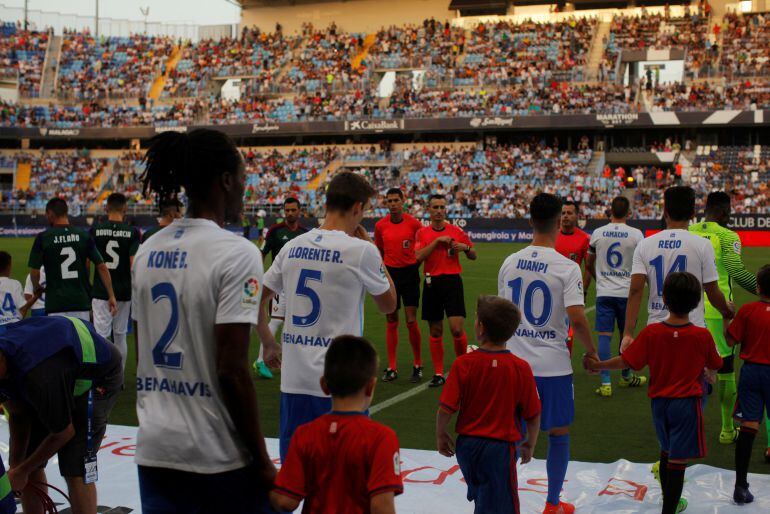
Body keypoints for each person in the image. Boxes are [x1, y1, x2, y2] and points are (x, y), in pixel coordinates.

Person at [132, 129, 278, 513]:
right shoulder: (237, 253)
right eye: (243, 181)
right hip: (214, 453)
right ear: (226, 181)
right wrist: (262, 462)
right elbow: (231, 369)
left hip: (154, 446)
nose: (244, 191)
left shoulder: (148, 249)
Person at [258, 171, 396, 462]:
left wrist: (268, 341)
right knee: (341, 482)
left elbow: (256, 297)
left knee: (298, 478)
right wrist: (373, 248)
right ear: (357, 207)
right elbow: (388, 305)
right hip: (342, 384)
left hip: (294, 382)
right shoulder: (361, 251)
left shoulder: (292, 247)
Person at [498, 193, 599, 514]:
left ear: (530, 221)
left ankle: (504, 502)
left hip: (513, 364)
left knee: (510, 434)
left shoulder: (510, 262)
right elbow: (578, 317)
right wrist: (592, 353)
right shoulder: (567, 268)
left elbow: (501, 315)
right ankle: (552, 504)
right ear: (559, 222)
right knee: (557, 432)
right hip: (552, 366)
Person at [589, 272, 723, 514]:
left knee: (666, 451)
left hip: (659, 404)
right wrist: (710, 373)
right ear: (696, 302)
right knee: (678, 462)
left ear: (665, 300)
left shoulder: (651, 333)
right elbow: (716, 363)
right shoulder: (702, 335)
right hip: (687, 405)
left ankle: (666, 500)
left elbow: (627, 361)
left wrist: (598, 366)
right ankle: (669, 509)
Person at [0, 316, 123, 514]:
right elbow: (18, 413)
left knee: (75, 465)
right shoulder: (8, 362)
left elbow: (63, 432)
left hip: (96, 377)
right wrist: (17, 465)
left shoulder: (39, 375)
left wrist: (21, 471)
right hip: (58, 370)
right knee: (30, 461)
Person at [270, 335, 403, 514]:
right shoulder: (381, 438)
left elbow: (285, 501)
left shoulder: (304, 434)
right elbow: (382, 507)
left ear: (324, 385)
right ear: (371, 386)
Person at [436, 295, 541, 514]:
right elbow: (532, 414)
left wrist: (441, 433)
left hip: (467, 448)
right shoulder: (520, 368)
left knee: (484, 498)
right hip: (499, 450)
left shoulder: (464, 363)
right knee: (501, 505)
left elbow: (446, 408)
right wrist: (530, 443)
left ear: (481, 328)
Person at [623, 186, 734, 352]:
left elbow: (635, 292)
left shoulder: (645, 245)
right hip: (692, 329)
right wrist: (726, 309)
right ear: (693, 214)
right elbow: (712, 292)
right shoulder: (703, 245)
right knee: (695, 377)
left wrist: (628, 333)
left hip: (656, 330)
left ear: (665, 212)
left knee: (660, 377)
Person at [689, 192, 759, 445]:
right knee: (725, 369)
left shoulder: (690, 230)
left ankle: (688, 428)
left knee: (691, 369)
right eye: (728, 212)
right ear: (721, 211)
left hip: (687, 309)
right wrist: (763, 289)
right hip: (718, 309)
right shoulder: (727, 235)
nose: (730, 216)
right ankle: (727, 430)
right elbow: (736, 271)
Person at [585, 197, 646, 397]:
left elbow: (588, 262)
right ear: (628, 212)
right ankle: (626, 376)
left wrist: (600, 279)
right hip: (628, 293)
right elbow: (643, 264)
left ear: (610, 211)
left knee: (604, 336)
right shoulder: (637, 235)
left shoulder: (598, 233)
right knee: (625, 335)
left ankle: (605, 382)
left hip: (605, 292)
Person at [415, 194, 477, 388]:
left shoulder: (456, 231)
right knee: (435, 330)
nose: (439, 210)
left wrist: (465, 247)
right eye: (435, 207)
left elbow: (473, 255)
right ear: (429, 210)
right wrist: (436, 242)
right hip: (431, 282)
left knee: (457, 329)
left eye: (442, 207)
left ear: (446, 210)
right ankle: (439, 373)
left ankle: (463, 369)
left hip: (452, 282)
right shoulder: (422, 233)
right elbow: (417, 258)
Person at [28, 197, 117, 321]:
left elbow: (35, 272)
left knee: (60, 340)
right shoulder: (83, 235)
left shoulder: (43, 238)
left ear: (51, 213)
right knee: (81, 340)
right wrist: (111, 295)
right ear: (65, 212)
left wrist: (36, 286)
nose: (46, 217)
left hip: (56, 304)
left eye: (46, 214)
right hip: (81, 302)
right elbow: (101, 266)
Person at [253, 197, 308, 379]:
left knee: (296, 324)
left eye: (293, 210)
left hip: (298, 286)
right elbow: (262, 252)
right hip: (279, 285)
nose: (290, 213)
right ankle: (260, 360)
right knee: (275, 321)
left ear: (299, 211)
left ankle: (293, 362)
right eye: (287, 210)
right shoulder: (275, 231)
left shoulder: (304, 233)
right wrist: (258, 274)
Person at [728, 264, 770, 504]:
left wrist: (727, 317)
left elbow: (731, 338)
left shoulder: (747, 310)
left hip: (752, 371)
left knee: (749, 425)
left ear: (758, 287)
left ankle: (741, 486)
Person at [374, 187, 424, 383]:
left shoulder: (414, 224)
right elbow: (378, 249)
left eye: (396, 200)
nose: (393, 204)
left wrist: (413, 266)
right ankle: (392, 366)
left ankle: (417, 364)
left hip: (410, 275)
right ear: (386, 203)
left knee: (411, 320)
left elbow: (420, 249)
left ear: (403, 201)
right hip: (390, 275)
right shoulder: (380, 226)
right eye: (389, 201)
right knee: (391, 319)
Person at [90, 193, 141, 369]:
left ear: (106, 209)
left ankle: (103, 380)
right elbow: (133, 263)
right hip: (124, 291)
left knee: (101, 336)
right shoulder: (133, 232)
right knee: (120, 335)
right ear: (125, 209)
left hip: (101, 290)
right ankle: (118, 378)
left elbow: (88, 262)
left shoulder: (95, 230)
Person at [555, 201, 591, 352]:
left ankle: (565, 362)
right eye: (563, 213)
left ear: (577, 216)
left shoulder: (584, 238)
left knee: (568, 333)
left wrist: (583, 291)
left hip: (570, 292)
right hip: (551, 289)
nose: (565, 216)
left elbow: (589, 268)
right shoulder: (552, 235)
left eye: (569, 213)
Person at [0, 251, 36, 328]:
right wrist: (36, 296)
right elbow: (23, 308)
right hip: (14, 327)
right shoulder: (15, 284)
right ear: (9, 266)